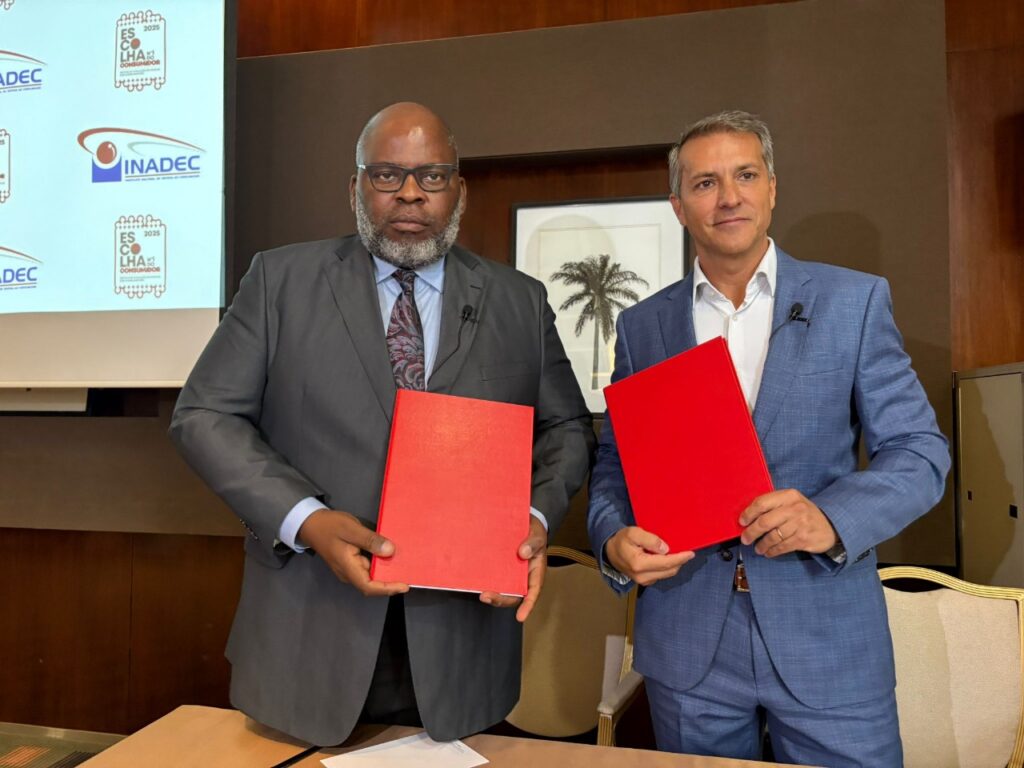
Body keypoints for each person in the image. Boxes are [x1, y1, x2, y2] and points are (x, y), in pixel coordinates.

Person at [170, 102, 593, 747]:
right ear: (356, 188)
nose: (410, 194)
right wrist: (306, 520)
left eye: (432, 176)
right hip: (309, 634)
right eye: (387, 175)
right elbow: (204, 414)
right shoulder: (280, 281)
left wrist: (530, 519)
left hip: (462, 643)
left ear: (459, 191)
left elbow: (567, 429)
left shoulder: (520, 301)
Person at [587, 110, 950, 767]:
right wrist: (613, 538)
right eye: (705, 183)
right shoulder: (643, 327)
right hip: (688, 639)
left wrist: (831, 518)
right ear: (678, 205)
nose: (728, 197)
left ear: (773, 188)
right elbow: (615, 462)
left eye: (746, 175)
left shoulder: (853, 302)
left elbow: (920, 453)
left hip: (826, 634)